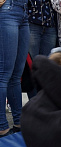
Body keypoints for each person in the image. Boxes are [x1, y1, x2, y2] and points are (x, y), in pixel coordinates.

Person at [0, 0, 30, 137]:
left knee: (16, 75)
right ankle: (2, 127)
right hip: (8, 10)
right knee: (4, 75)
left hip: (23, 12)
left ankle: (19, 122)